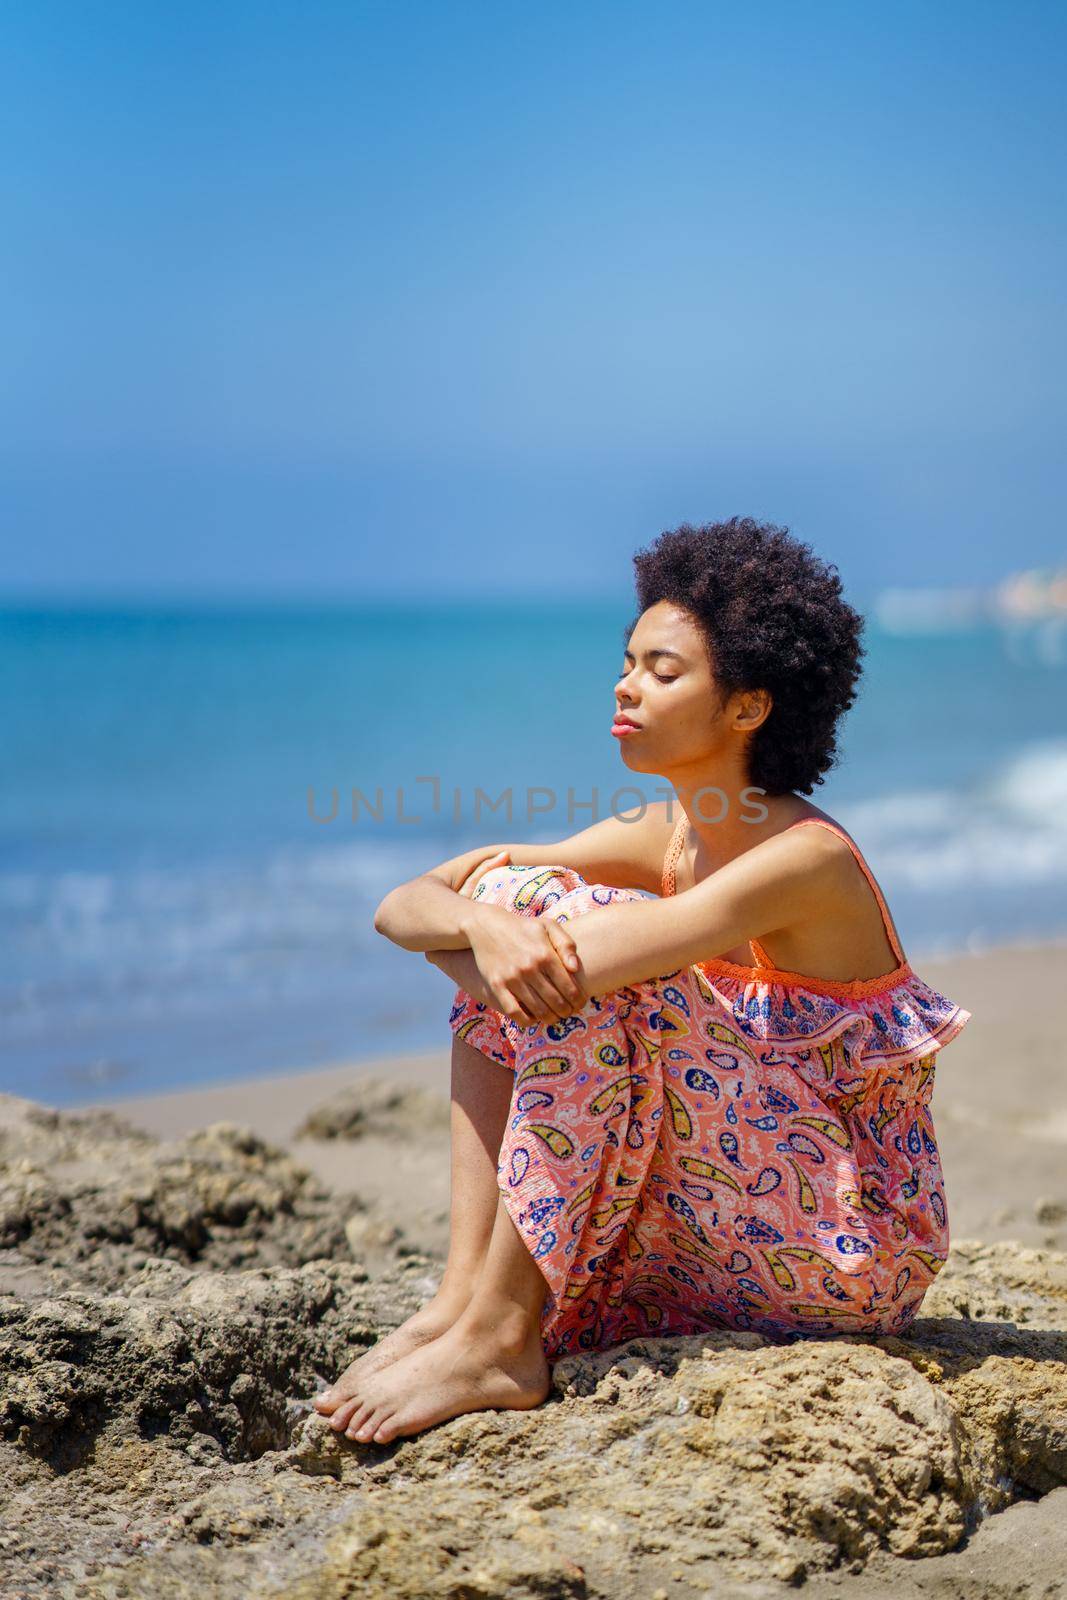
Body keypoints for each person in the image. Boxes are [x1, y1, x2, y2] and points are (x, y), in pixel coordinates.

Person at [313, 515, 972, 1447]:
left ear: (747, 707)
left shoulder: (803, 858)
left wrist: (493, 944)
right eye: (627, 661)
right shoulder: (664, 835)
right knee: (515, 903)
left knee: (565, 948)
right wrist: (479, 929)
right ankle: (465, 1301)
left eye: (664, 671)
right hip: (729, 1214)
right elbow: (408, 902)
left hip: (844, 1246)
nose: (626, 685)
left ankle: (502, 1335)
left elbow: (587, 967)